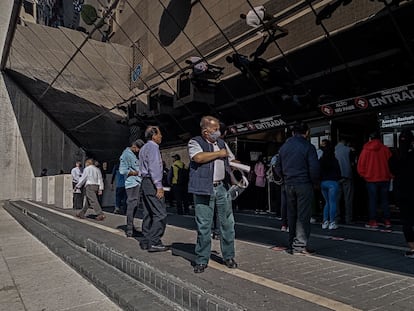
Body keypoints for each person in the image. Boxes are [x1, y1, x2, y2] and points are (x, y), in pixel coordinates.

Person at [188, 116, 238, 273]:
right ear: (205, 131)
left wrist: (237, 174)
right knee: (204, 225)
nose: (218, 131)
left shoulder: (222, 144)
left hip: (222, 187)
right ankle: (202, 259)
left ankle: (228, 256)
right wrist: (219, 154)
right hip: (203, 188)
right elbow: (198, 157)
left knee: (228, 223)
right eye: (215, 129)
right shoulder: (195, 142)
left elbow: (231, 160)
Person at [276, 122, 319, 255]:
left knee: (292, 214)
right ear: (306, 132)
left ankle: (291, 243)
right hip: (304, 183)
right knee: (303, 215)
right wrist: (315, 182)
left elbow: (277, 167)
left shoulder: (284, 147)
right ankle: (299, 246)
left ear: (293, 132)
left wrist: (284, 177)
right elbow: (314, 168)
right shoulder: (308, 146)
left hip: (288, 184)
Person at [139, 126, 169, 252]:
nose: (161, 136)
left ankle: (146, 240)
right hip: (152, 182)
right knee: (160, 213)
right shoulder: (153, 147)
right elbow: (155, 167)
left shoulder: (143, 148)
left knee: (148, 213)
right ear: (154, 135)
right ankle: (155, 241)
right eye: (159, 134)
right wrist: (159, 186)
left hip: (144, 182)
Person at [357, 132, 392, 229]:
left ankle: (373, 221)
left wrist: (364, 175)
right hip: (385, 178)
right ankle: (387, 221)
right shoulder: (385, 149)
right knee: (385, 200)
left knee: (372, 200)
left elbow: (361, 165)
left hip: (371, 179)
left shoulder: (365, 150)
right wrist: (390, 175)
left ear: (370, 139)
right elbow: (391, 164)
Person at [389, 130, 414, 257]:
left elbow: (392, 170)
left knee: (406, 220)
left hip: (402, 191)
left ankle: (412, 247)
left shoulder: (395, 156)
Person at [119, 139, 145, 237]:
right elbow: (122, 170)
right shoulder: (126, 155)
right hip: (131, 183)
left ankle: (131, 227)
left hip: (137, 182)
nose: (139, 151)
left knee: (135, 205)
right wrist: (136, 173)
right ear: (134, 146)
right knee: (132, 205)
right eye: (139, 149)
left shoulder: (133, 154)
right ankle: (129, 229)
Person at [319, 140, 341, 230]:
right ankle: (332, 222)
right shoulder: (334, 160)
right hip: (333, 182)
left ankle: (325, 221)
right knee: (333, 202)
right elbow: (339, 172)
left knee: (326, 202)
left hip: (323, 182)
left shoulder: (321, 160)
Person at [335, 137, 355, 224]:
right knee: (348, 198)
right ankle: (348, 218)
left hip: (337, 177)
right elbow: (353, 163)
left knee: (336, 199)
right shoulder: (349, 150)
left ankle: (336, 217)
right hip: (347, 176)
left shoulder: (333, 150)